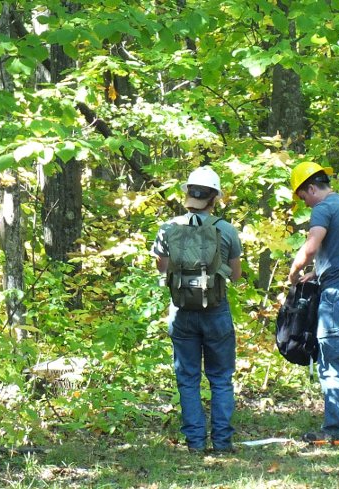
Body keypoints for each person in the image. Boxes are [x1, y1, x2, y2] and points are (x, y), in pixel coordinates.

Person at [151, 166, 243, 453]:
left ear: (188, 194)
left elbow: (162, 268)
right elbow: (236, 276)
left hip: (181, 312)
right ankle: (223, 442)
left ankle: (194, 442)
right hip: (216, 311)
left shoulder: (168, 228)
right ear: (214, 198)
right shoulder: (226, 230)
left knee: (188, 378)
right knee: (220, 377)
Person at [287, 161, 339, 444]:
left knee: (333, 358)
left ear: (311, 188)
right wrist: (316, 273)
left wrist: (296, 270)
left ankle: (336, 429)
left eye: (303, 197)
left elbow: (312, 244)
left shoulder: (323, 208)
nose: (306, 204)